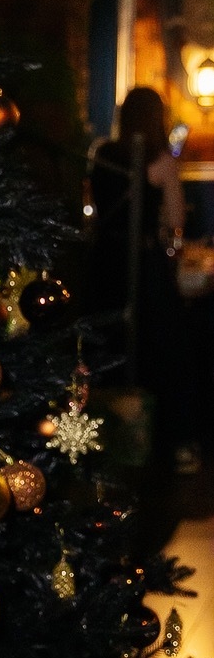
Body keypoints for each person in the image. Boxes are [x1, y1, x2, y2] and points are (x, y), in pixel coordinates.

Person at [88, 84, 198, 473]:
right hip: (143, 262)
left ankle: (101, 438)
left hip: (105, 261)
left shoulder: (102, 153)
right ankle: (169, 442)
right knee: (164, 346)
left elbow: (94, 204)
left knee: (106, 340)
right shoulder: (161, 160)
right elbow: (177, 219)